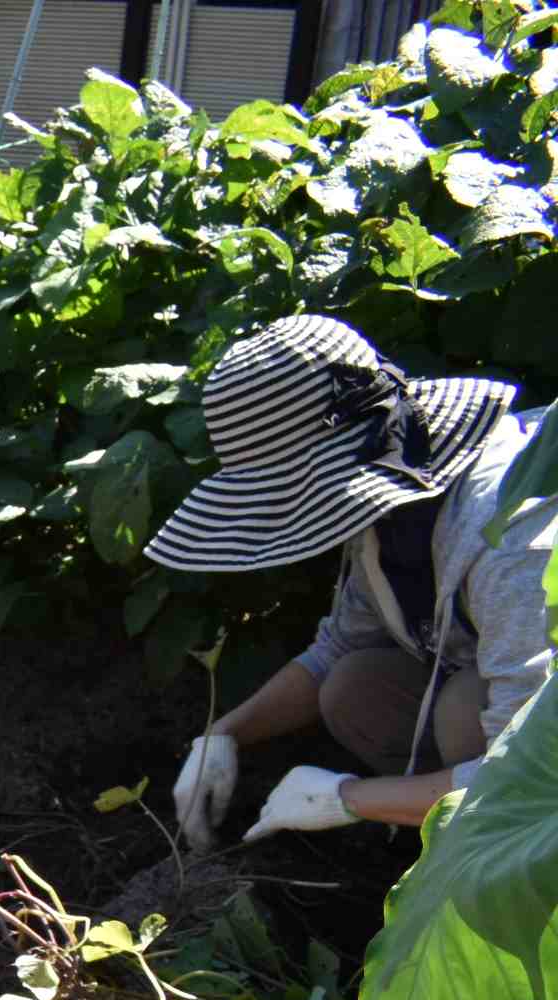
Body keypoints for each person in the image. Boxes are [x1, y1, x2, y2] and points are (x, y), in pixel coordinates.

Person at [154, 315, 551, 845]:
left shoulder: (511, 535)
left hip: (539, 761)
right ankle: (435, 824)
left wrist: (348, 799)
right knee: (355, 687)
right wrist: (225, 733)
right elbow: (338, 648)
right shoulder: (391, 511)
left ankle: (493, 856)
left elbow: (528, 770)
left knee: (464, 712)